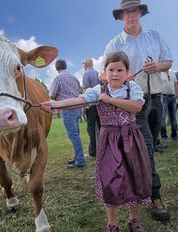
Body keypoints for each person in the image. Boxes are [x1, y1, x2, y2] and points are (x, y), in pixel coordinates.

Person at [42, 51, 152, 232]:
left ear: (127, 72)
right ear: (105, 72)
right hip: (109, 141)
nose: (115, 74)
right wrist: (55, 104)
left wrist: (109, 100)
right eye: (111, 69)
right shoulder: (97, 90)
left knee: (137, 178)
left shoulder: (132, 88)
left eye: (120, 70)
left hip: (131, 138)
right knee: (110, 182)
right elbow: (79, 100)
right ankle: (112, 224)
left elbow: (137, 107)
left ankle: (134, 220)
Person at [100, 0, 172, 221]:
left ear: (141, 13)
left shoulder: (154, 36)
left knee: (150, 146)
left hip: (157, 98)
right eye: (126, 12)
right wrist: (121, 77)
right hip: (134, 105)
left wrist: (157, 66)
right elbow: (103, 75)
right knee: (147, 147)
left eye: (135, 11)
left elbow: (168, 61)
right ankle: (154, 194)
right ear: (121, 16)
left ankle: (137, 187)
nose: (131, 15)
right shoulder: (114, 44)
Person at [49, 59, 86, 168]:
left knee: (73, 136)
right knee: (76, 134)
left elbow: (51, 94)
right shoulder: (73, 77)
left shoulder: (58, 78)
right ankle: (78, 157)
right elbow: (78, 91)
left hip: (68, 108)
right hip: (77, 107)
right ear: (65, 66)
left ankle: (80, 160)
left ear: (56, 69)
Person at [82, 58, 101, 158]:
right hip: (100, 103)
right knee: (101, 127)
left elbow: (86, 90)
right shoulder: (98, 73)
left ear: (86, 64)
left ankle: (93, 152)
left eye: (83, 63)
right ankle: (103, 148)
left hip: (91, 104)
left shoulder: (86, 74)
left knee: (91, 129)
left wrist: (84, 107)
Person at [160, 71, 178, 143]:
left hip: (173, 97)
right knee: (163, 118)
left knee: (173, 118)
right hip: (163, 97)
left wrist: (176, 96)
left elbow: (176, 85)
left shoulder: (172, 73)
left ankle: (174, 135)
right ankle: (164, 137)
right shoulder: (160, 73)